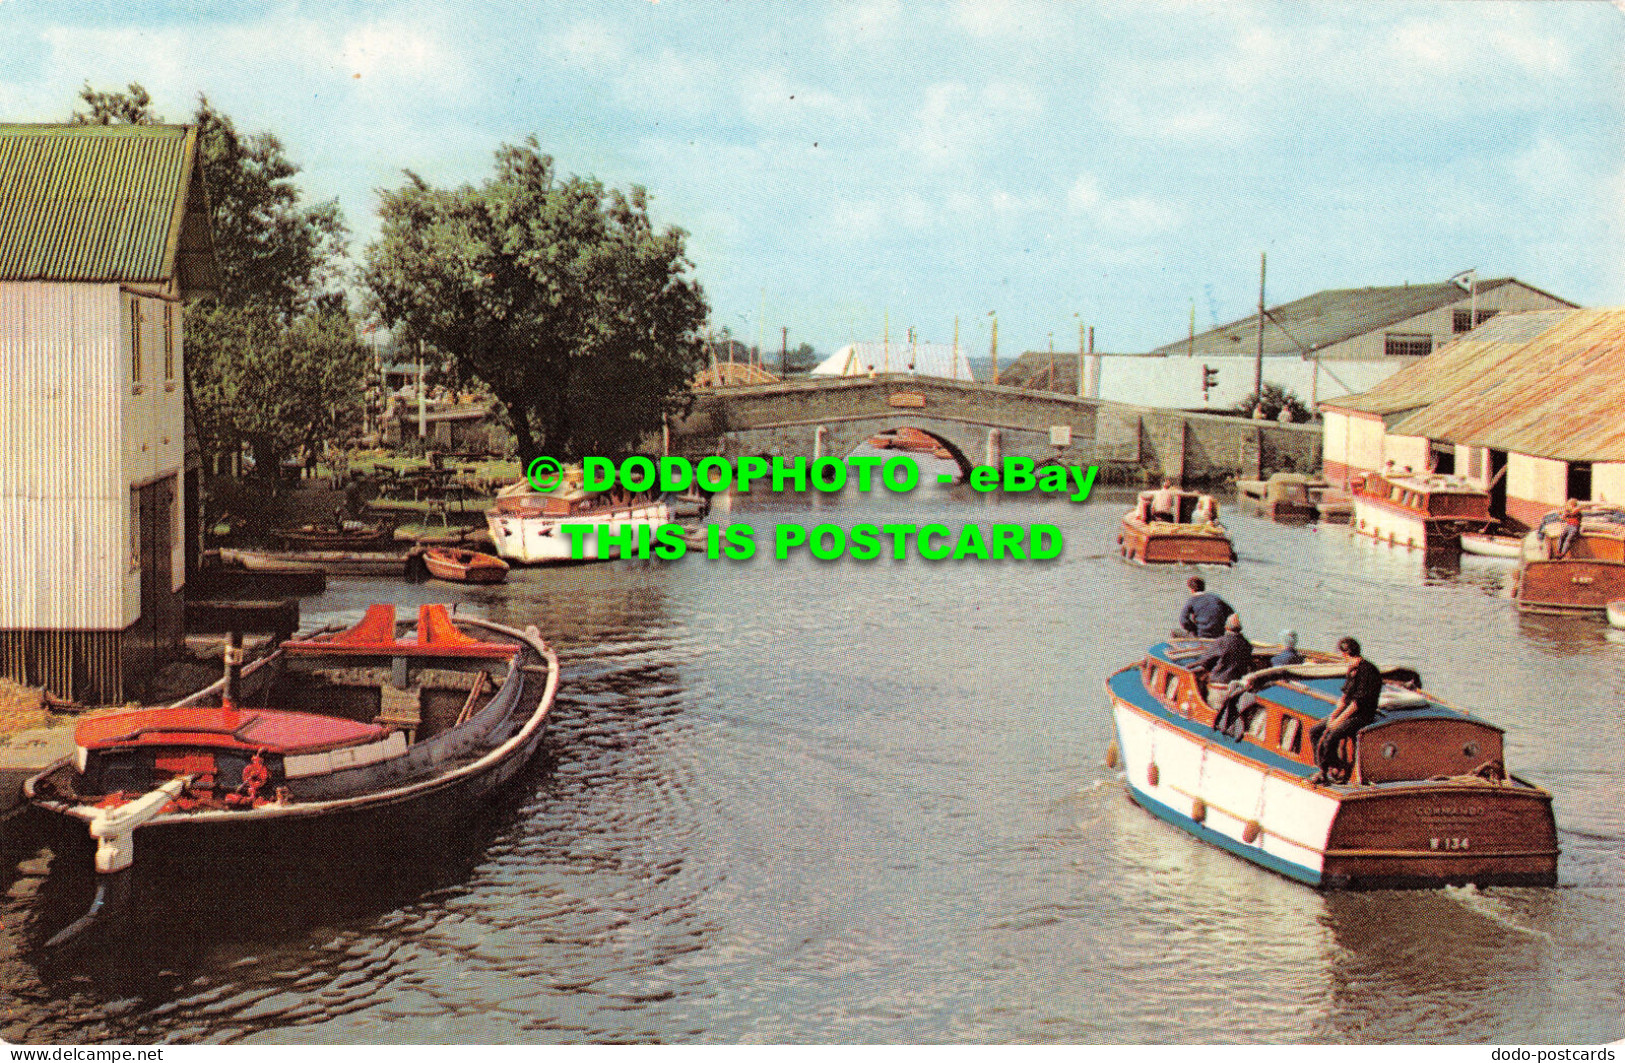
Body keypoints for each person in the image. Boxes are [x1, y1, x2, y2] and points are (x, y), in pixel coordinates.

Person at [1309, 636, 1383, 785]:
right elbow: (1344, 698)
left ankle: (1332, 769)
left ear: (1344, 654)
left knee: (1331, 736)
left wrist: (1337, 721)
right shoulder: (1352, 668)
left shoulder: (1368, 671)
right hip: (1349, 711)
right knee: (1315, 731)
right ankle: (1326, 767)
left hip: (1362, 714)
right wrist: (1333, 716)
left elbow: (1356, 704)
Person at [1196, 614, 1253, 712]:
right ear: (1240, 629)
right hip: (1237, 689)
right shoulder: (1247, 645)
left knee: (1215, 715)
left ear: (1226, 627)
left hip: (1219, 687)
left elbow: (1205, 661)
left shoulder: (1221, 642)